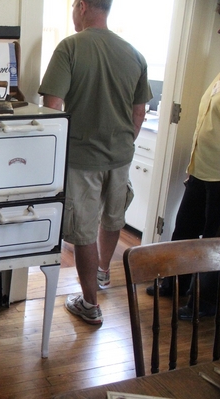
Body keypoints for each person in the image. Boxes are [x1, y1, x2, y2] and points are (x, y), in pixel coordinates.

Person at [38, 0, 152, 325]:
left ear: (82, 6)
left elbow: (52, 106)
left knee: (83, 230)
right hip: (120, 157)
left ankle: (90, 304)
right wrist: (123, 143)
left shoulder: (70, 47)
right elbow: (139, 112)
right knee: (113, 218)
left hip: (81, 159)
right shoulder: (134, 53)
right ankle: (102, 273)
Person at [146, 70, 220, 320]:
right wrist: (192, 165)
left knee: (213, 242)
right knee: (184, 231)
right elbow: (205, 125)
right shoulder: (217, 76)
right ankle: (173, 285)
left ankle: (204, 302)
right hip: (200, 169)